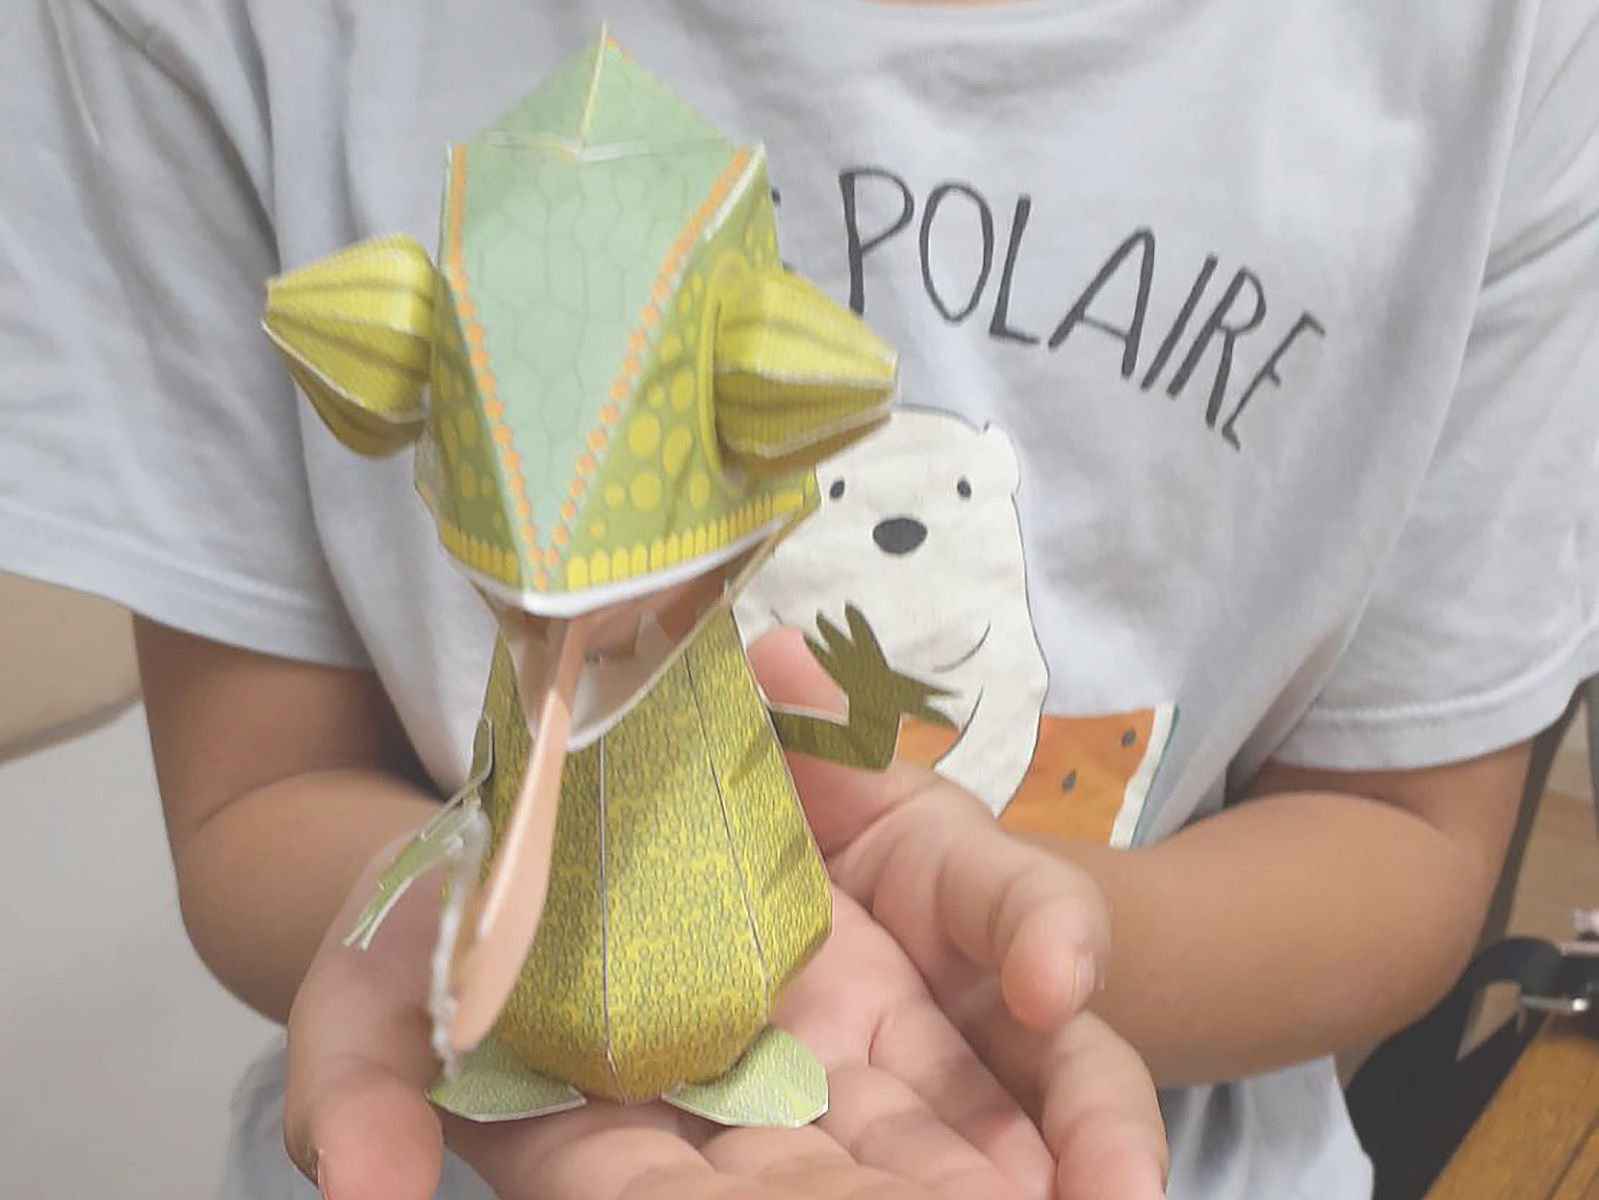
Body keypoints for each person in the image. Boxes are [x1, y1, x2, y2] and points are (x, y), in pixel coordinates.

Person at [2, 1, 1595, 1198]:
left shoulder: (1502, 49)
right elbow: (258, 794)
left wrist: (1010, 938)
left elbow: (1410, 839)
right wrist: (438, 905)